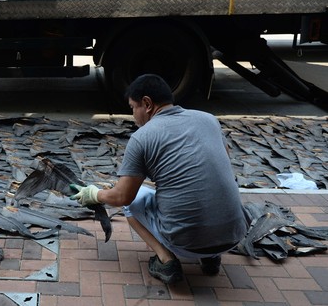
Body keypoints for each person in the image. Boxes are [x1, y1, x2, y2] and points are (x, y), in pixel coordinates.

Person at [70, 74, 247, 285]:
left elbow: (121, 196)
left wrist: (94, 194)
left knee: (133, 203)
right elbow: (221, 163)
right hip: (233, 235)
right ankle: (210, 258)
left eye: (133, 108)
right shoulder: (208, 119)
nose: (133, 115)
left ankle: (166, 259)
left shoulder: (143, 137)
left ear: (147, 104)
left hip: (185, 243)